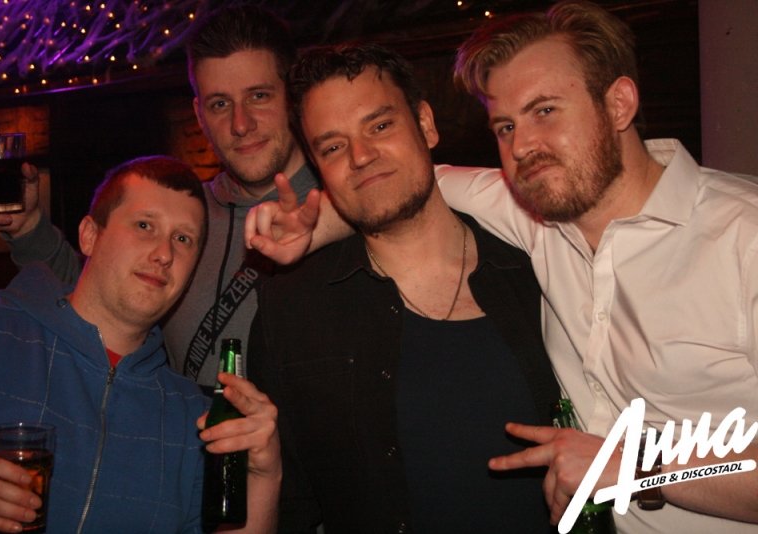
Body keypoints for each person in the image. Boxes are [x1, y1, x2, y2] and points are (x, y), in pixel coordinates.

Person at [245, 2, 758, 533]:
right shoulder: (535, 216)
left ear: (619, 103)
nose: (522, 147)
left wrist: (637, 466)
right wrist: (312, 225)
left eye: (545, 110)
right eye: (506, 125)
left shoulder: (745, 238)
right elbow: (394, 181)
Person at [247, 43, 559, 533]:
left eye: (379, 126)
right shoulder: (292, 308)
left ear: (426, 124)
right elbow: (290, 505)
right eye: (333, 147)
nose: (361, 156)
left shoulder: (537, 268)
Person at [0, 5, 319, 395]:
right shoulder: (187, 216)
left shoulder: (341, 211)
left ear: (293, 97)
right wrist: (28, 227)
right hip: (182, 432)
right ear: (199, 115)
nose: (240, 124)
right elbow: (95, 294)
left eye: (259, 96)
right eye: (220, 104)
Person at [0, 156, 280, 534]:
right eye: (144, 225)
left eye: (183, 239)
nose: (164, 254)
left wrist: (264, 475)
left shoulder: (193, 418)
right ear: (90, 236)